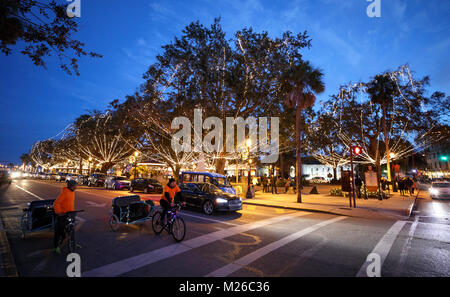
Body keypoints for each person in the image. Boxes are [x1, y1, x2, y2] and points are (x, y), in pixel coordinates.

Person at [53, 179, 78, 254]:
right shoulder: (65, 193)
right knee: (59, 231)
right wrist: (59, 212)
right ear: (72, 186)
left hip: (70, 214)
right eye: (76, 185)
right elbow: (56, 203)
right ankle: (56, 246)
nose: (77, 186)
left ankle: (73, 243)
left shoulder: (72, 192)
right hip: (63, 215)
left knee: (72, 230)